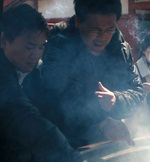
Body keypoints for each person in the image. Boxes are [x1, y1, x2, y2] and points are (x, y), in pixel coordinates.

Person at [0, 4, 115, 162]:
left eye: (41, 46)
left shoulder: (31, 71)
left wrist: (100, 123)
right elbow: (26, 120)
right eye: (29, 46)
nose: (36, 54)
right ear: (3, 41)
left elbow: (56, 108)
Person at [41, 0, 144, 148]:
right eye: (94, 30)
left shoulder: (120, 48)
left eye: (109, 29)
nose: (102, 38)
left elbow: (138, 92)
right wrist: (99, 124)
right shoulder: (59, 50)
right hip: (69, 147)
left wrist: (117, 100)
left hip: (112, 140)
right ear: (78, 21)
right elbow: (54, 105)